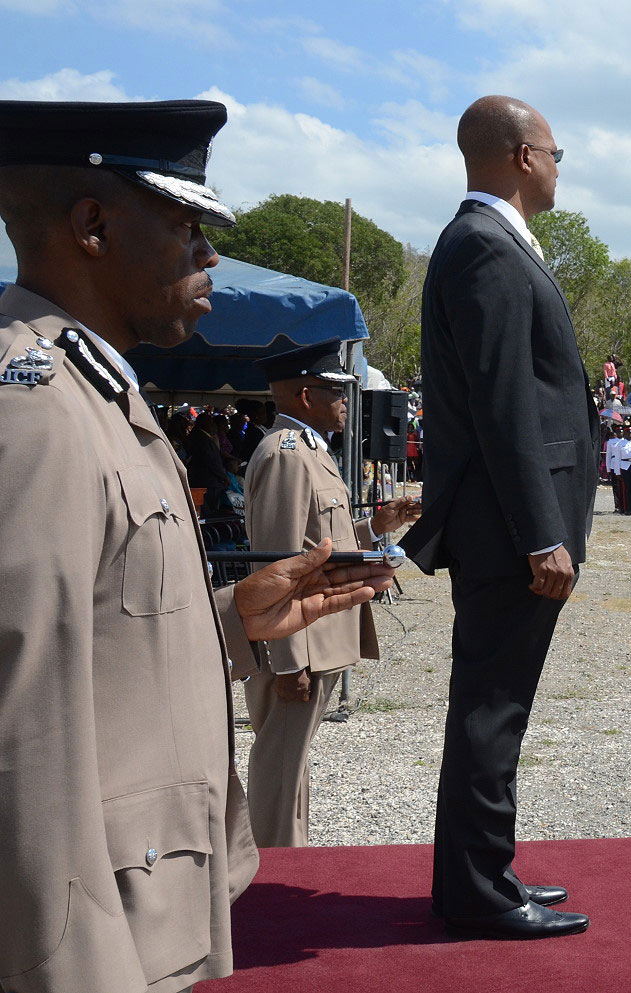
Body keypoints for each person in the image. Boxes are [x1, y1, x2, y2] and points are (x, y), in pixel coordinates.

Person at [0, 97, 394, 992]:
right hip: (93, 933)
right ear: (93, 225)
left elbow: (96, 635)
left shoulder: (95, 392)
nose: (209, 255)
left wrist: (230, 620)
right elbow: (20, 732)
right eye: (185, 226)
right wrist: (72, 967)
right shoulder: (33, 408)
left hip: (149, 901)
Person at [403, 95, 594, 940]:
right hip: (509, 528)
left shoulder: (494, 242)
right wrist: (540, 531)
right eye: (556, 152)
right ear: (522, 155)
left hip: (508, 520)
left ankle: (484, 867)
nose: (560, 166)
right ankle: (478, 890)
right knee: (490, 707)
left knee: (497, 703)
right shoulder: (483, 245)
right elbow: (503, 402)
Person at [242, 340, 422, 848]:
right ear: (304, 395)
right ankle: (272, 879)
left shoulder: (308, 452)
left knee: (291, 765)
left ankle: (287, 859)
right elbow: (278, 564)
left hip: (313, 637)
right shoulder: (286, 456)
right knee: (281, 767)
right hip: (297, 641)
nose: (347, 402)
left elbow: (320, 546)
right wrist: (286, 662)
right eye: (336, 392)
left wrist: (374, 527)